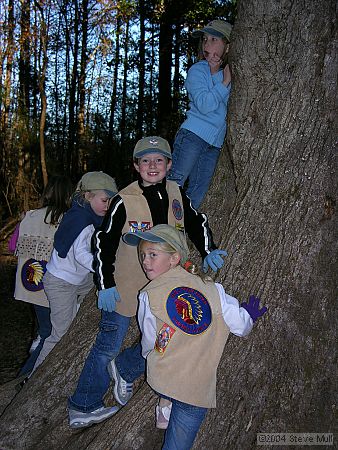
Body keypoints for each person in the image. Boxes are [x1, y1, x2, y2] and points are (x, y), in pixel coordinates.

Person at [68, 136, 227, 429]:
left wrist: (209, 249)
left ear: (169, 164)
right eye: (145, 161)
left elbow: (196, 222)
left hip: (165, 289)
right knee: (107, 345)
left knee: (163, 339)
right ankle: (83, 404)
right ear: (136, 166)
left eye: (158, 160)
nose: (152, 166)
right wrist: (105, 284)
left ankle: (126, 370)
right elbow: (104, 243)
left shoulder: (178, 193)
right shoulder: (123, 200)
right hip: (125, 289)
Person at [122, 224, 267, 449]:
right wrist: (248, 315)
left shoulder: (149, 295)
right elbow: (240, 327)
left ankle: (165, 401)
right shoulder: (212, 288)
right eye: (143, 255)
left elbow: (149, 340)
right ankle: (167, 404)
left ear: (174, 258)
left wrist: (151, 357)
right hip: (195, 389)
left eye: (152, 254)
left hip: (163, 377)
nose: (145, 261)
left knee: (161, 353)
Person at [29, 171, 117, 378]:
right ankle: (35, 376)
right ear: (87, 196)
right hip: (61, 283)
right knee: (59, 334)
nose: (108, 205)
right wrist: (104, 267)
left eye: (110, 201)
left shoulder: (87, 216)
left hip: (78, 278)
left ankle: (77, 307)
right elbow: (81, 255)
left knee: (91, 290)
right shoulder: (81, 221)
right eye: (104, 200)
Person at [9, 175, 73, 377]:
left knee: (45, 327)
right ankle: (26, 376)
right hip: (55, 286)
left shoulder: (29, 216)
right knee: (49, 333)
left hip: (30, 283)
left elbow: (12, 246)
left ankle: (37, 344)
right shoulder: (69, 220)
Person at [168, 19, 232, 209]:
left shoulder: (229, 73)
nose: (207, 43)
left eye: (214, 39)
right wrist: (224, 82)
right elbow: (205, 105)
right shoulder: (197, 70)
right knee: (175, 182)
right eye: (205, 39)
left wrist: (221, 76)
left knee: (198, 191)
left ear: (228, 47)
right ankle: (159, 226)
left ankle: (181, 230)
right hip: (193, 136)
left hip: (214, 145)